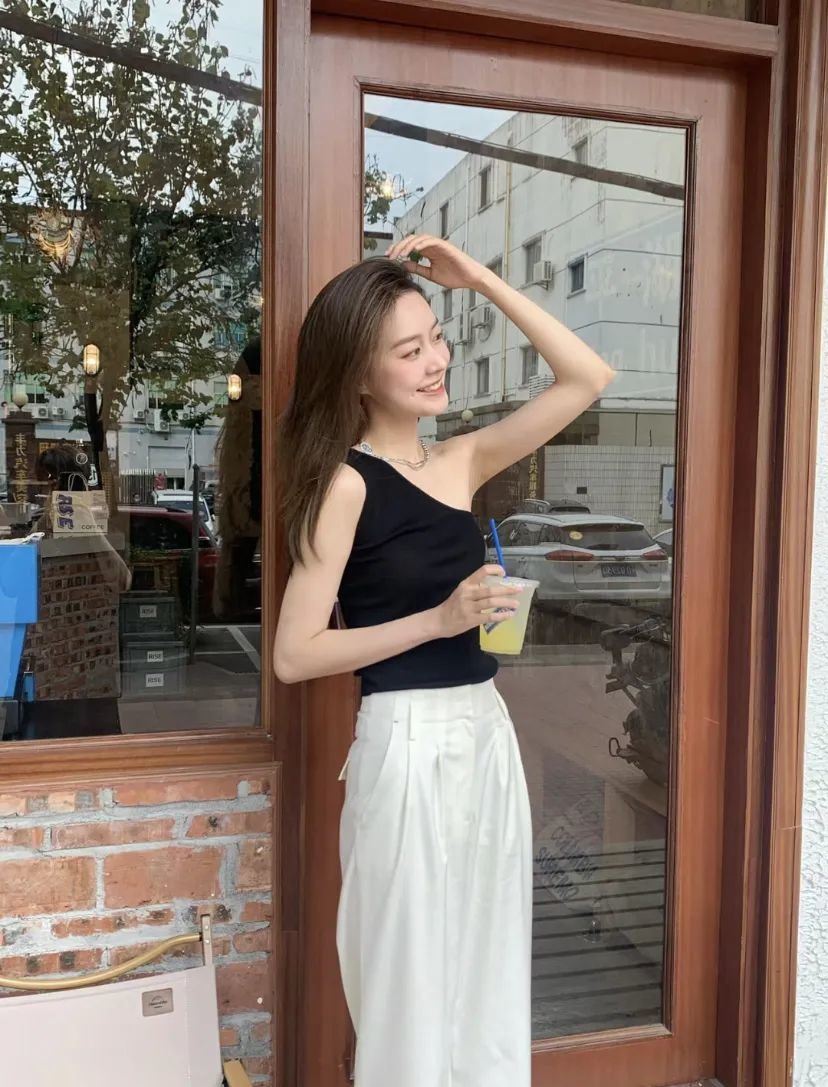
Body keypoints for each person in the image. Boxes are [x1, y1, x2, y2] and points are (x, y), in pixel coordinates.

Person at [273, 235, 614, 1087]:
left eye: (436, 337)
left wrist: (481, 280)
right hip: (406, 740)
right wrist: (438, 618)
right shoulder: (345, 484)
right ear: (359, 374)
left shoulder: (459, 459)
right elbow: (294, 653)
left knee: (488, 967)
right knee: (409, 984)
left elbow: (586, 378)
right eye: (408, 350)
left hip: (484, 733)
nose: (436, 361)